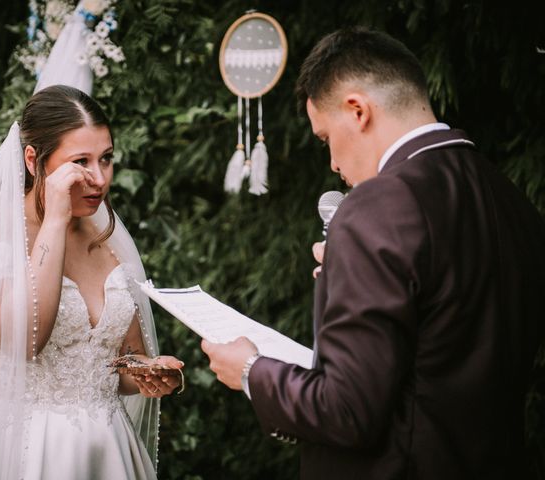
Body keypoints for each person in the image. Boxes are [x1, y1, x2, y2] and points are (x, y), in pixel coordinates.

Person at [202, 27, 545, 479]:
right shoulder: (509, 197)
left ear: (358, 110)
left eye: (326, 140)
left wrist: (251, 370)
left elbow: (348, 411)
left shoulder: (376, 207)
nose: (333, 165)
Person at [0, 84, 182, 479]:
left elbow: (123, 358)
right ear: (34, 160)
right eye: (80, 161)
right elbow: (24, 341)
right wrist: (54, 219)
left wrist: (148, 371)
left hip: (108, 454)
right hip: (18, 453)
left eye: (106, 159)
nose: (99, 179)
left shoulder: (106, 240)